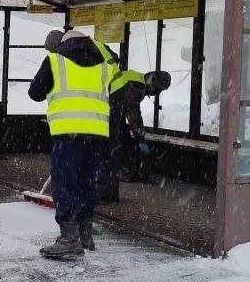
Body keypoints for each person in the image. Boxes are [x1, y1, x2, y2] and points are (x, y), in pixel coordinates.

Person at [28, 29, 116, 258]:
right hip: (97, 134)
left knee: (65, 183)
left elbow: (35, 93)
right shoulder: (104, 66)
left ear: (63, 44)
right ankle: (85, 235)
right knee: (88, 182)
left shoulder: (55, 61)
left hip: (68, 133)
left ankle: (69, 239)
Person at [115, 70, 172, 182]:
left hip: (112, 108)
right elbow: (133, 112)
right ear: (153, 81)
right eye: (159, 89)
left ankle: (123, 170)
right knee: (122, 137)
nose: (157, 93)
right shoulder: (137, 87)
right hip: (107, 109)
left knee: (123, 133)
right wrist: (139, 134)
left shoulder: (138, 79)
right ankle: (122, 171)